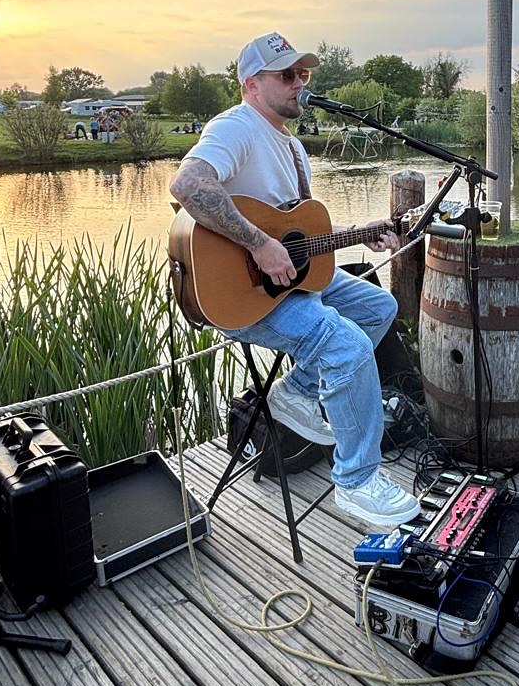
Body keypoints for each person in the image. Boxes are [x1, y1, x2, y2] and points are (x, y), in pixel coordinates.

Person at [168, 31, 419, 531]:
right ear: (251, 83)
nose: (298, 82)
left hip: (289, 286)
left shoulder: (293, 149)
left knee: (378, 309)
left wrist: (357, 233)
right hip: (240, 295)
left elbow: (298, 232)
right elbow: (189, 185)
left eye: (303, 74)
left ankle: (299, 392)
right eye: (286, 74)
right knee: (345, 344)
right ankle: (357, 482)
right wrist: (260, 244)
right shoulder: (235, 127)